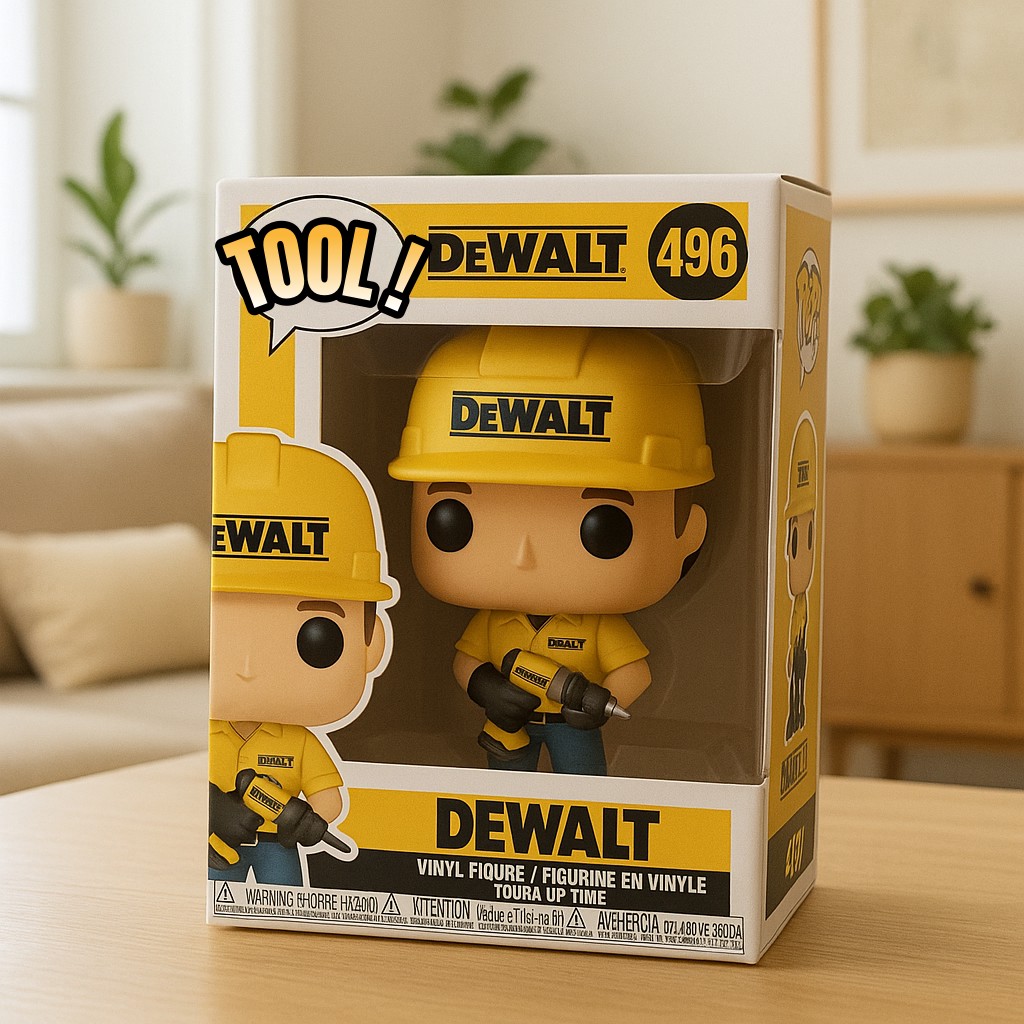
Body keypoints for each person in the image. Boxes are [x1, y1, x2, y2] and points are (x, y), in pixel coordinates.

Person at [389, 326, 713, 775]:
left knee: (584, 791)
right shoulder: (494, 623)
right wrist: (487, 688)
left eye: (605, 528)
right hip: (508, 729)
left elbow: (636, 672)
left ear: (690, 534)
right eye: (453, 520)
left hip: (571, 727)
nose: (523, 556)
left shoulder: (598, 626)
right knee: (502, 790)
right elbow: (466, 661)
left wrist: (599, 706)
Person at [208, 431, 394, 884]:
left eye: (318, 639)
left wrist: (307, 820)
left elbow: (330, 798)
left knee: (286, 902)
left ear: (371, 643)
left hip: (278, 846)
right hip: (215, 849)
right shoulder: (198, 736)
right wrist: (211, 807)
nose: (247, 668)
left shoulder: (301, 743)